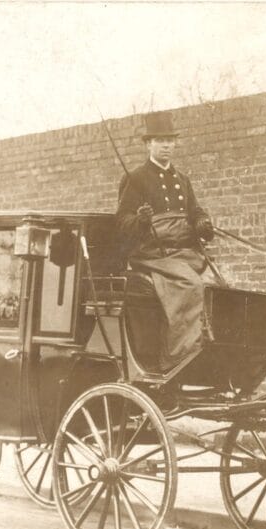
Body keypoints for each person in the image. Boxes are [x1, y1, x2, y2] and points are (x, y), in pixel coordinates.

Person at [112, 110, 220, 370]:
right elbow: (121, 223)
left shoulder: (182, 179)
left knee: (218, 286)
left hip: (184, 253)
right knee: (190, 283)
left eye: (170, 140)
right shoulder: (135, 179)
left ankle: (207, 345)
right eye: (160, 141)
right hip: (153, 256)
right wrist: (140, 219)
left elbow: (195, 211)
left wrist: (202, 222)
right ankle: (178, 354)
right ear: (148, 144)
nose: (166, 146)